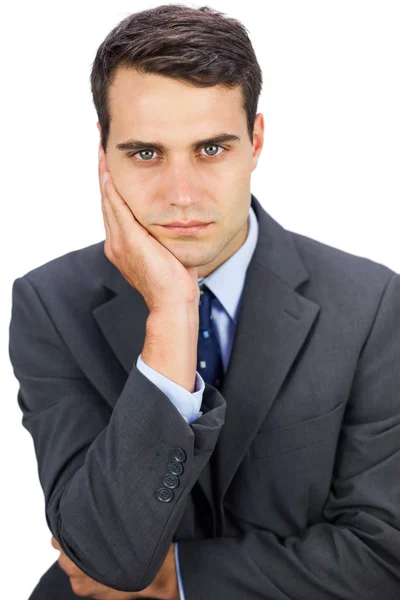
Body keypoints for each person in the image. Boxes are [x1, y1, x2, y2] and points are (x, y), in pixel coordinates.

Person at [8, 4, 400, 599]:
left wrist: (179, 578)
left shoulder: (370, 304)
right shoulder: (48, 304)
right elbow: (106, 554)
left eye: (211, 149)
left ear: (256, 141)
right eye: (145, 153)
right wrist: (170, 316)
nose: (182, 195)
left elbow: (383, 555)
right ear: (103, 153)